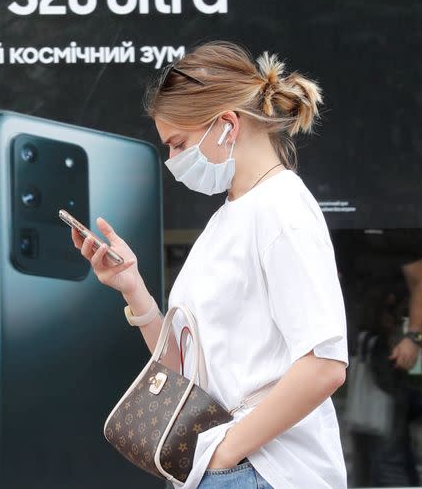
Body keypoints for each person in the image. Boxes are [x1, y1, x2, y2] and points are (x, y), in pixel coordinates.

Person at [71, 41, 348, 489]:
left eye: (178, 143)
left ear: (226, 125)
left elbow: (325, 365)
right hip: (230, 467)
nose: (172, 160)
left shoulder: (281, 209)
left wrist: (226, 452)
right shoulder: (233, 214)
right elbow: (187, 370)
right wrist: (132, 287)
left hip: (264, 470)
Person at [335, 228, 422, 486]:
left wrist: (413, 338)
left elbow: (421, 280)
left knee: (388, 457)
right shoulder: (341, 231)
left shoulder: (389, 229)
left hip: (383, 351)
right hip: (352, 353)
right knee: (362, 455)